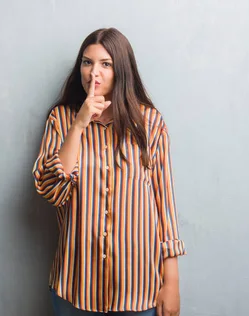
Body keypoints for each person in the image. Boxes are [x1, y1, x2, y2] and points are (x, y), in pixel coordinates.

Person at [32, 28, 186, 316]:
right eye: (87, 62)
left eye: (106, 64)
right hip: (75, 288)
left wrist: (172, 282)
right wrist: (79, 125)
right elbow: (52, 190)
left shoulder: (150, 124)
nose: (94, 73)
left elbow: (165, 206)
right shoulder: (61, 119)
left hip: (139, 290)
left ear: (121, 70)